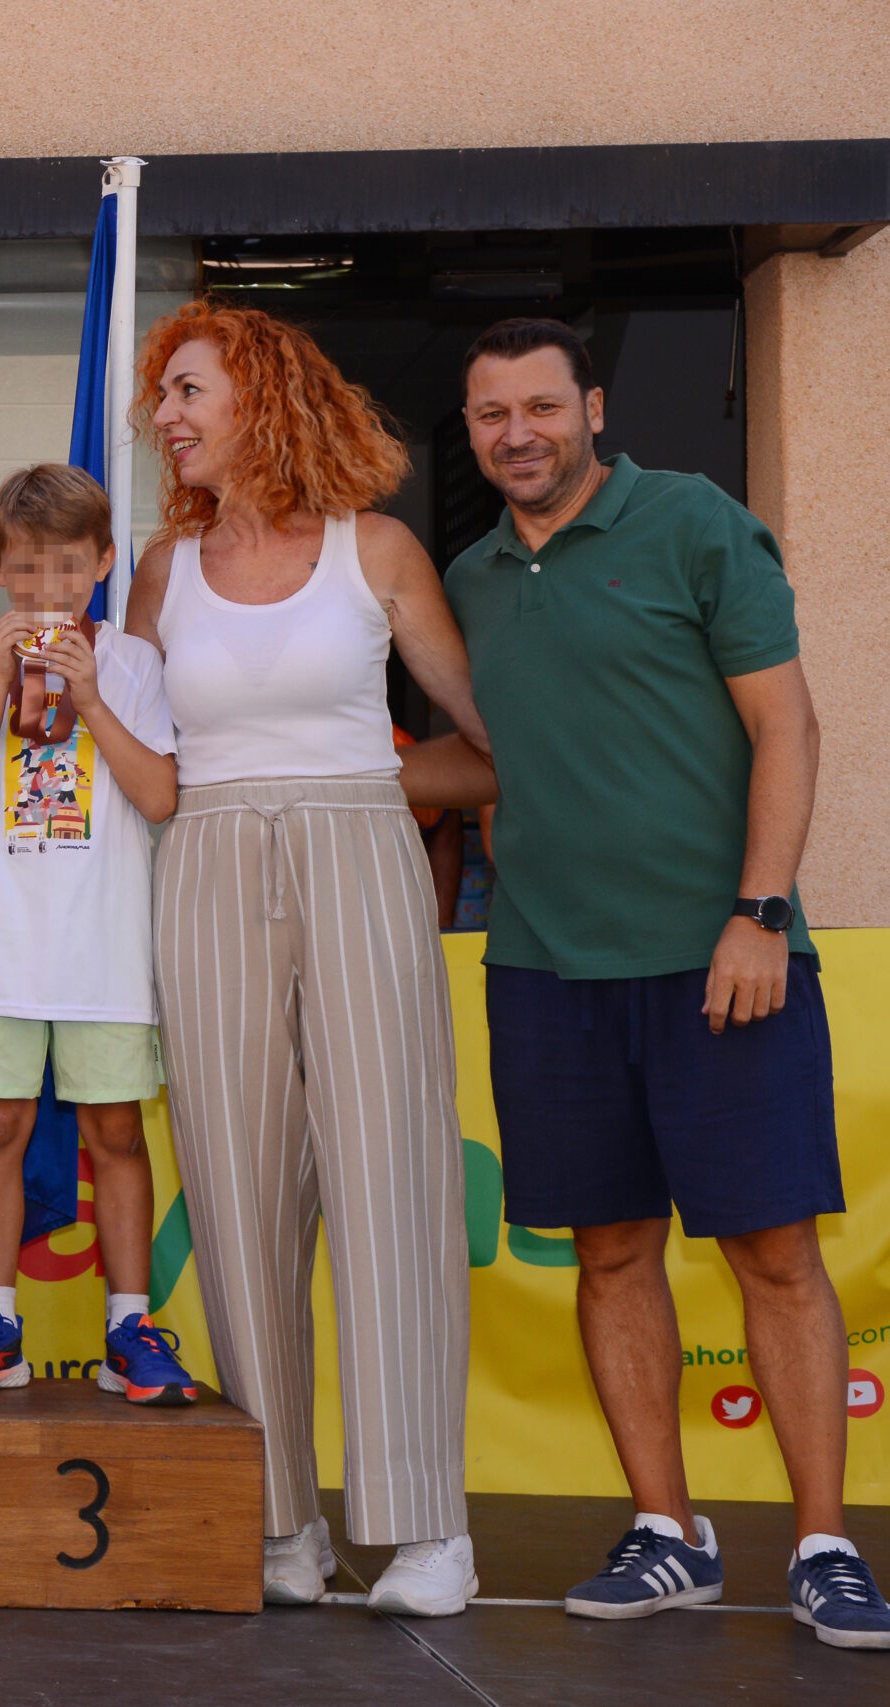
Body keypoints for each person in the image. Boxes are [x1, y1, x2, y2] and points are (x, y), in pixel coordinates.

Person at [0, 302, 490, 1615]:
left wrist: (359, 790)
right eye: (161, 395)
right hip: (207, 867)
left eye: (187, 390)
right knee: (234, 1190)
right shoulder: (162, 571)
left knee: (391, 1176)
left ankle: (424, 1526)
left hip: (358, 848)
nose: (163, 416)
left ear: (262, 396)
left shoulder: (377, 547)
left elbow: (484, 738)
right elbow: (108, 740)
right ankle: (283, 1518)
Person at [408, 318, 883, 1649]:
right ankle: (667, 1530)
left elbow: (786, 723)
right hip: (546, 969)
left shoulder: (694, 524)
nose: (518, 434)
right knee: (610, 1251)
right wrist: (275, 777)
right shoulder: (472, 578)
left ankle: (826, 1545)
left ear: (593, 408)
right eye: (492, 413)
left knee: (774, 1255)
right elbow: (497, 759)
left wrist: (760, 912)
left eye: (541, 407)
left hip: (722, 960)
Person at [0, 467, 201, 1408]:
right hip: (0, 948)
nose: (49, 589)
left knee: (116, 1132)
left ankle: (130, 1328)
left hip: (105, 953)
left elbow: (159, 797)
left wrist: (93, 694)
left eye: (70, 566)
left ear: (106, 562)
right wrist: (4, 678)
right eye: (28, 568)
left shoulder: (137, 664)